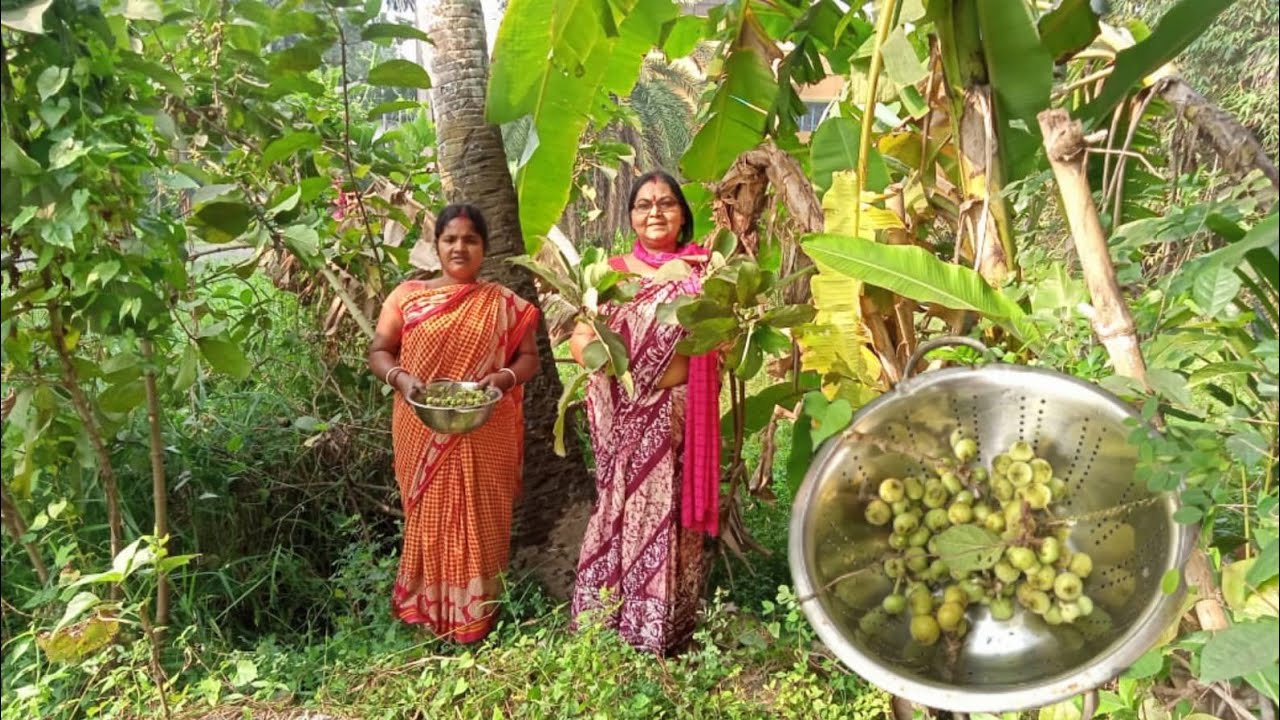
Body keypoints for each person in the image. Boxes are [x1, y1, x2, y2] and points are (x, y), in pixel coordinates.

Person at [367, 203, 540, 643]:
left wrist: (501, 379)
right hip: (421, 427)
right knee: (429, 521)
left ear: (484, 248)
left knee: (483, 522)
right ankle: (430, 618)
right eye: (450, 239)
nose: (459, 247)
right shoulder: (407, 296)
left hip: (487, 427)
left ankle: (476, 620)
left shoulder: (503, 304)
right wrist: (401, 378)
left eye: (470, 240)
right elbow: (379, 351)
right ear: (436, 244)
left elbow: (529, 359)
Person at [568, 170, 721, 655]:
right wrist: (606, 363)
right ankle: (608, 618)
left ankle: (663, 624)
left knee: (667, 512)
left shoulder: (704, 274)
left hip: (676, 416)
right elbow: (580, 338)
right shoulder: (612, 274)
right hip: (623, 415)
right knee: (619, 508)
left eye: (667, 203)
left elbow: (723, 340)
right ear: (630, 216)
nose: (655, 212)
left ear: (683, 214)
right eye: (644, 204)